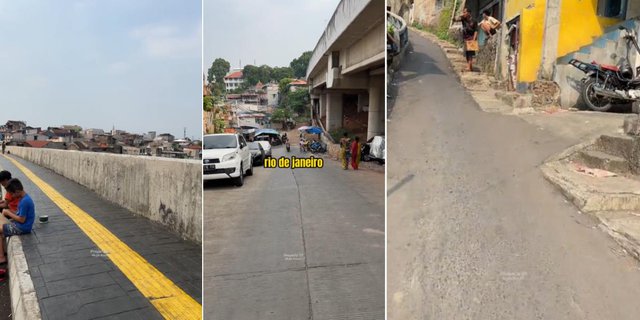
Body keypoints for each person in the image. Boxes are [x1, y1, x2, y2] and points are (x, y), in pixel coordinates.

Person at [0, 179, 35, 265]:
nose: (11, 196)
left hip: (22, 228)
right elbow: (19, 214)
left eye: (12, 194)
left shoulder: (25, 201)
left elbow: (21, 220)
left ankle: (1, 258)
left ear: (17, 191)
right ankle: (3, 252)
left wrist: (8, 212)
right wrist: (9, 211)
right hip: (19, 225)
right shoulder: (24, 198)